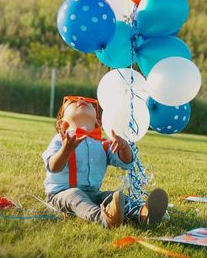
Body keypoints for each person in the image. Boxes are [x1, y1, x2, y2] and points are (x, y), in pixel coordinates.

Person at [42, 95, 168, 228]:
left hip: (93, 195)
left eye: (88, 102)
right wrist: (66, 150)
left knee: (113, 196)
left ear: (98, 122)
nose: (81, 100)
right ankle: (105, 218)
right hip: (61, 195)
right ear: (62, 124)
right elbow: (53, 167)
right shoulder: (60, 140)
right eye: (73, 102)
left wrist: (124, 147)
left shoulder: (103, 144)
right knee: (75, 194)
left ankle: (141, 214)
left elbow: (126, 163)